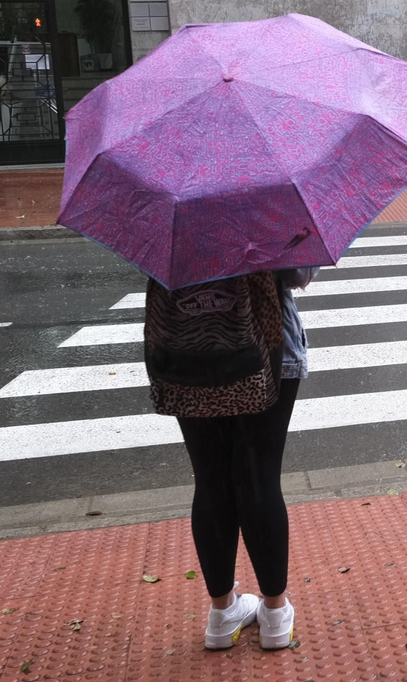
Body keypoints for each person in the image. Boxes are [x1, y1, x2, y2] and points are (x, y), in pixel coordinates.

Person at [145, 267, 314, 651]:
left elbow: (150, 267)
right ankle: (274, 613)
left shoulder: (172, 209)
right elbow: (299, 273)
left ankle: (222, 613)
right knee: (259, 476)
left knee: (210, 479)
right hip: (266, 348)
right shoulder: (270, 206)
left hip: (188, 348)